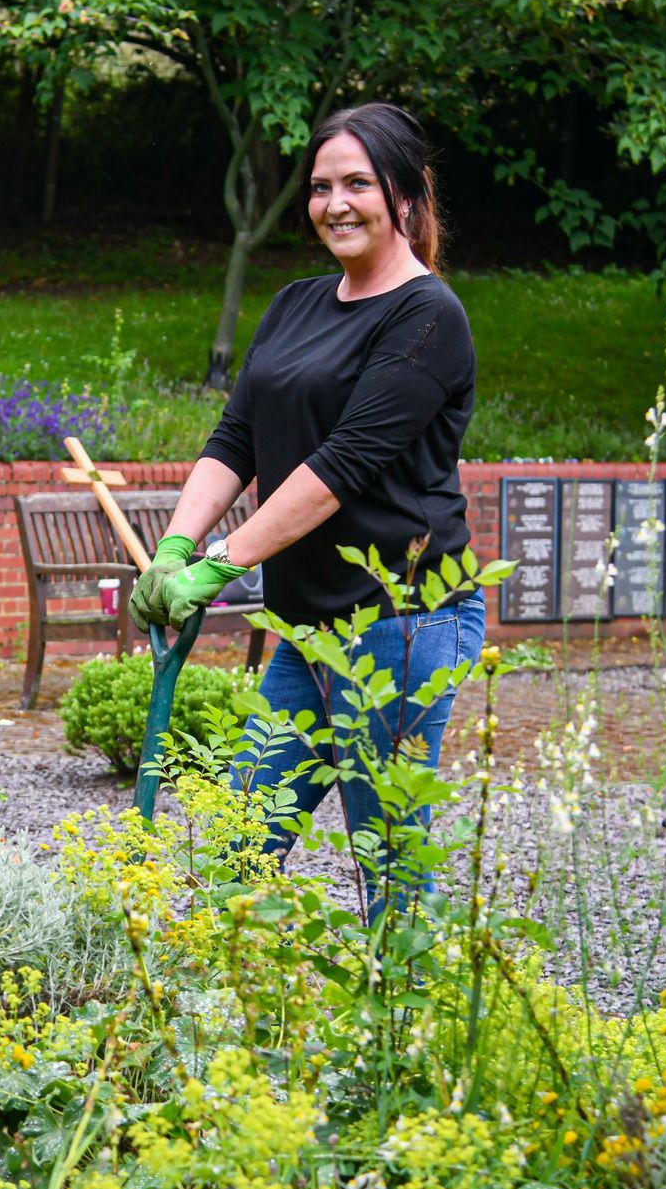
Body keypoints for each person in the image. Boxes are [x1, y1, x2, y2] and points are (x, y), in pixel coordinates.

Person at [129, 101, 484, 917]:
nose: (335, 204)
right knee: (237, 849)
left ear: (404, 194)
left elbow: (338, 470)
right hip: (305, 631)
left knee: (387, 867)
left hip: (401, 626)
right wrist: (177, 548)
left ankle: (401, 1036)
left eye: (357, 183)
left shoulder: (429, 317)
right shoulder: (294, 304)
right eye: (321, 187)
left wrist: (222, 563)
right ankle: (229, 1034)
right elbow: (235, 439)